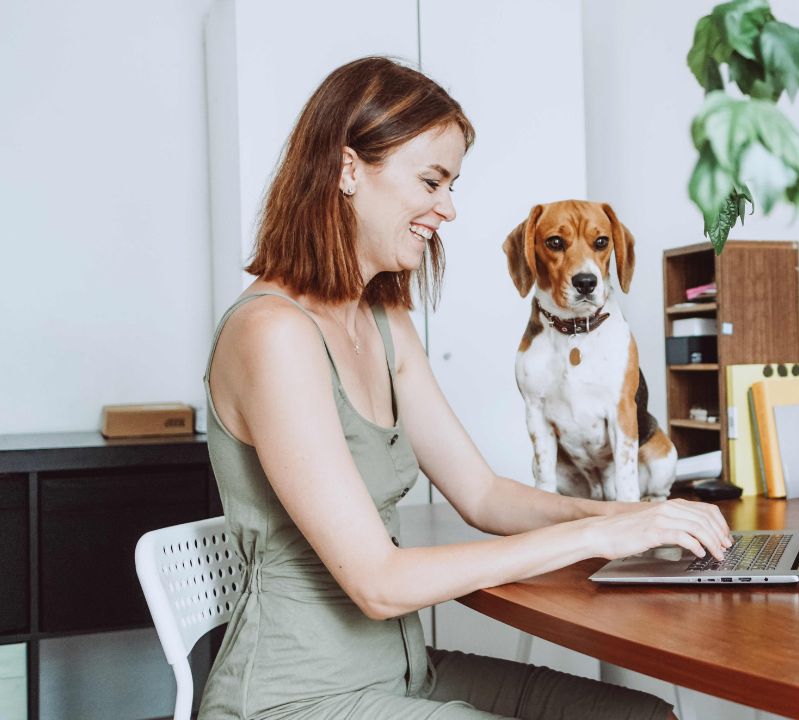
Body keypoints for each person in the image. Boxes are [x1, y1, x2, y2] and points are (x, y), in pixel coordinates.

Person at [198, 56, 732, 720]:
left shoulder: (384, 322)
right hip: (295, 698)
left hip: (404, 674)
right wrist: (595, 539)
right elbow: (379, 583)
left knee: (643, 717)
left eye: (451, 185)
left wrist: (636, 520)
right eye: (431, 181)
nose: (447, 209)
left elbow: (484, 495)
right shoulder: (273, 334)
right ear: (347, 169)